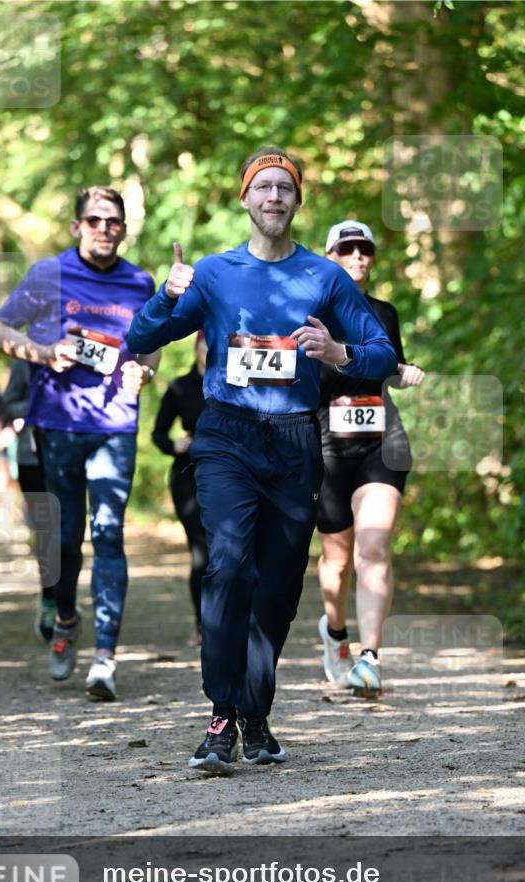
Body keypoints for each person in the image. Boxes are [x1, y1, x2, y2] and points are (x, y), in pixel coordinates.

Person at [126, 147, 397, 775]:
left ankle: (255, 712)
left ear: (297, 202)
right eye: (263, 187)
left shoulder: (325, 277)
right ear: (245, 198)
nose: (274, 197)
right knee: (227, 566)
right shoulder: (214, 273)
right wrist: (167, 296)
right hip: (227, 433)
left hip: (296, 439)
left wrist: (339, 352)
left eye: (284, 188)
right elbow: (141, 338)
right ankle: (221, 717)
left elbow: (382, 351)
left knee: (277, 586)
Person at [0, 186, 160, 701]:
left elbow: (150, 347)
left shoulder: (140, 282)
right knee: (65, 539)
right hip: (57, 424)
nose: (104, 228)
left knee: (108, 533)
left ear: (124, 228)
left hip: (115, 425)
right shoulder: (49, 274)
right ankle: (65, 617)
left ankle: (105, 657)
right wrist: (42, 353)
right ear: (76, 226)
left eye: (113, 221)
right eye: (94, 220)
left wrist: (145, 373)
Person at [316, 220, 425, 696]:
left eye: (365, 249)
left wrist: (404, 372)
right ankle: (336, 632)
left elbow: (390, 368)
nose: (358, 256)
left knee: (375, 546)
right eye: (347, 248)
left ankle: (370, 658)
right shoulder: (311, 314)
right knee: (337, 559)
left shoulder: (384, 312)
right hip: (327, 447)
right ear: (330, 257)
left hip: (382, 441)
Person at [152, 331, 207, 645]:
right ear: (197, 348)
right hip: (189, 478)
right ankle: (202, 625)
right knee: (202, 552)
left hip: (231, 476)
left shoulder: (235, 383)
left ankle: (231, 620)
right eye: (205, 345)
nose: (210, 351)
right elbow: (158, 433)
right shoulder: (180, 387)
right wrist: (175, 445)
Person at [1, 358, 59, 642]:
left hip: (71, 457)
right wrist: (36, 409)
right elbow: (9, 402)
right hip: (32, 458)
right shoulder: (24, 359)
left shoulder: (80, 348)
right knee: (46, 532)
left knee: (68, 532)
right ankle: (50, 600)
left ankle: (66, 599)